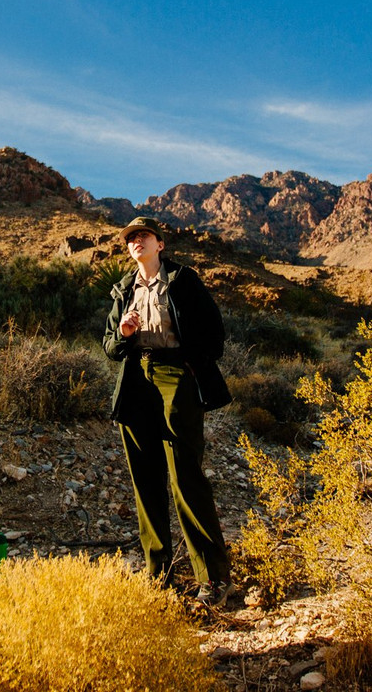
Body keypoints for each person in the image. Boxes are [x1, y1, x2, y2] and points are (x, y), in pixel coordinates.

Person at [102, 216, 234, 605]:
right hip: (136, 378)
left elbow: (215, 334)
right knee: (145, 479)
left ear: (160, 244)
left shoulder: (183, 280)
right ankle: (157, 576)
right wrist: (124, 335)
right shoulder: (123, 289)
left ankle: (212, 578)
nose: (136, 242)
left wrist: (191, 364)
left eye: (143, 236)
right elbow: (109, 346)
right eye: (131, 239)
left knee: (185, 475)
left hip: (176, 376)